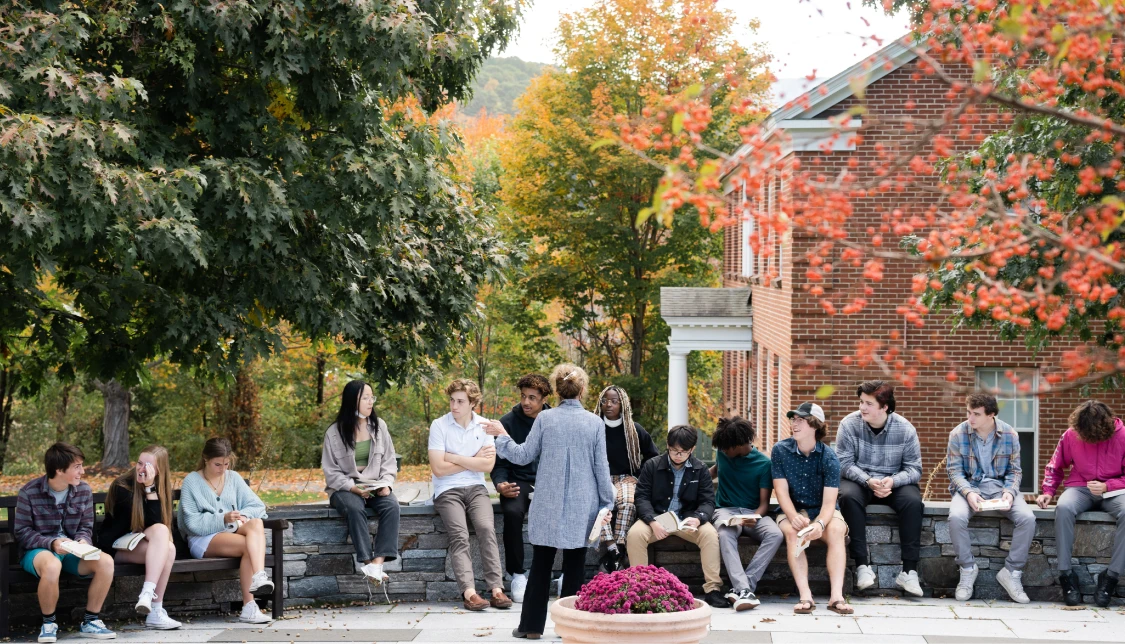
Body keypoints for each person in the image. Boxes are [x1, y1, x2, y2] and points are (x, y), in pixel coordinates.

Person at [486, 363, 615, 639]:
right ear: (582, 390)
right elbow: (601, 469)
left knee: (542, 564)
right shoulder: (594, 423)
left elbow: (521, 455)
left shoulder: (546, 419)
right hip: (583, 505)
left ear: (555, 391)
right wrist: (608, 503)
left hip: (548, 504)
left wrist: (501, 436)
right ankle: (570, 628)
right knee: (575, 565)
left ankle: (531, 627)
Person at [15, 442, 116, 642]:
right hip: (38, 551)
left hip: (72, 551)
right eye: (77, 467)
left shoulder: (83, 490)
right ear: (59, 470)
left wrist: (82, 541)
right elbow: (22, 532)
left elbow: (86, 526)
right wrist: (52, 544)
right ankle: (49, 624)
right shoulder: (29, 492)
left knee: (106, 562)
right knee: (52, 565)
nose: (83, 471)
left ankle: (90, 621)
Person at [428, 379, 512, 611]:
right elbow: (438, 469)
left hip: (476, 489)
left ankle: (496, 590)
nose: (454, 406)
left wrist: (452, 456)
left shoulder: (484, 425)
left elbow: (487, 466)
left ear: (473, 403)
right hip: (447, 490)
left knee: (486, 529)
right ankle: (470, 593)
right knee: (460, 535)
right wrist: (472, 459)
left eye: (460, 401)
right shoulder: (439, 425)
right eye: (452, 400)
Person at [834, 380, 925, 596]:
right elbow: (843, 463)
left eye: (868, 403)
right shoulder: (849, 424)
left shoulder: (905, 429)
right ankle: (862, 567)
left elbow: (914, 469)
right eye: (861, 402)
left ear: (885, 407)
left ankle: (909, 572)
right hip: (860, 482)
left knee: (913, 502)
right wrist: (867, 481)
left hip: (893, 483)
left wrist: (893, 481)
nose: (862, 407)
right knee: (847, 495)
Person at [946, 393, 1035, 603]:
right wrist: (969, 493)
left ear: (991, 415)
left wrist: (1009, 492)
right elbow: (955, 471)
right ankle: (967, 569)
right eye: (968, 412)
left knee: (1027, 519)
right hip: (968, 487)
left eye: (976, 414)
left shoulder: (1010, 435)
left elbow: (1015, 471)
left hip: (999, 487)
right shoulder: (958, 434)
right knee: (956, 517)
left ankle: (1012, 572)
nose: (970, 418)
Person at [627, 424, 728, 609]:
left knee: (710, 535)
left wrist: (698, 518)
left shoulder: (700, 469)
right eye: (673, 450)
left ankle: (712, 590)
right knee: (635, 535)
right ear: (667, 445)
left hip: (686, 519)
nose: (677, 455)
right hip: (656, 518)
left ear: (692, 449)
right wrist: (652, 521)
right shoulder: (652, 465)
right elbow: (641, 497)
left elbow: (708, 501)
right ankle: (640, 588)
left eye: (683, 451)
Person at [1037, 400, 1125, 607]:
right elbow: (1054, 466)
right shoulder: (1071, 434)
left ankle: (1110, 578)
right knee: (1064, 507)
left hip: (1115, 491)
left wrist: (1107, 486)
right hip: (1080, 487)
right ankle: (1066, 575)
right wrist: (1048, 492)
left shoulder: (1122, 435)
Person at [178, 437, 274, 624]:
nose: (223, 469)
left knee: (256, 523)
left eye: (226, 464)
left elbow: (257, 506)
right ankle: (249, 607)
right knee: (249, 546)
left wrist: (242, 515)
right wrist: (222, 518)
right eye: (217, 464)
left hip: (230, 530)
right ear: (205, 459)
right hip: (202, 538)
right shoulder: (192, 481)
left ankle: (259, 577)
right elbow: (192, 522)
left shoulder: (233, 478)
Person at [772, 403, 853, 615]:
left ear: (815, 425)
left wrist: (820, 524)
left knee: (835, 530)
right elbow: (780, 491)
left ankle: (836, 596)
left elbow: (829, 503)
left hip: (822, 511)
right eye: (793, 419)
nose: (794, 423)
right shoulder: (780, 450)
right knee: (792, 532)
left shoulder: (829, 457)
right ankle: (805, 596)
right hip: (793, 508)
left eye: (800, 420)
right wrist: (792, 516)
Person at [322, 380, 400, 585]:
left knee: (392, 506)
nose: (370, 401)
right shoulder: (334, 432)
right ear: (352, 400)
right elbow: (331, 471)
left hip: (375, 484)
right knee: (355, 509)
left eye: (371, 397)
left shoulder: (379, 426)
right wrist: (353, 488)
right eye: (365, 397)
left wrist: (386, 485)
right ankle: (366, 561)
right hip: (345, 486)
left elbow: (389, 462)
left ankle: (377, 563)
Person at [98, 445, 182, 629]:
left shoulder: (161, 488)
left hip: (140, 543)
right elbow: (144, 523)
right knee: (167, 547)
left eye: (149, 466)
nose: (142, 469)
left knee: (168, 546)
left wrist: (150, 488)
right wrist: (148, 488)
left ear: (159, 470)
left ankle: (150, 599)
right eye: (140, 463)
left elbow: (158, 526)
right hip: (116, 545)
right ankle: (155, 607)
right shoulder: (122, 487)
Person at [709, 416, 784, 611]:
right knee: (725, 533)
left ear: (739, 444)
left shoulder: (763, 464)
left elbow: (764, 504)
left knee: (775, 534)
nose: (723, 451)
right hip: (725, 510)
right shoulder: (723, 452)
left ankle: (744, 587)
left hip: (752, 512)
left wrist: (754, 517)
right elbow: (716, 470)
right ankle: (744, 589)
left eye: (727, 448)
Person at [491, 374, 552, 603]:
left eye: (532, 398)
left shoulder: (552, 419)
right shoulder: (507, 421)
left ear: (544, 398)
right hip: (519, 481)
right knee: (512, 512)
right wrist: (500, 484)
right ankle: (517, 574)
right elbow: (500, 463)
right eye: (523, 396)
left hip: (548, 481)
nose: (526, 402)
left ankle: (553, 574)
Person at [593, 385, 659, 572]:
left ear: (623, 405)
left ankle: (619, 547)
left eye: (614, 401)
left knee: (629, 503)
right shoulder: (594, 427)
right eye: (605, 400)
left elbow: (653, 457)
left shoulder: (633, 429)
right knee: (599, 505)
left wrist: (637, 476)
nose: (609, 405)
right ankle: (614, 549)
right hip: (600, 477)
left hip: (625, 478)